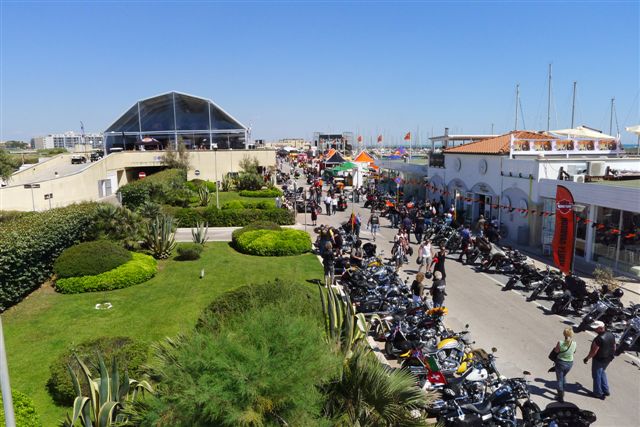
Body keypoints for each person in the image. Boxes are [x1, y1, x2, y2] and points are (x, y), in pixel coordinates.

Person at [583, 321, 615, 400]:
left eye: (596, 328)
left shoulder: (598, 339)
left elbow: (594, 352)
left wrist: (587, 358)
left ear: (601, 328)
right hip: (608, 358)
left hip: (599, 359)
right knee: (602, 372)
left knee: (596, 375)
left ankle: (597, 393)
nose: (594, 330)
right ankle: (605, 390)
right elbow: (614, 346)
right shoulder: (611, 334)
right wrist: (611, 355)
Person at [552, 328, 577, 402]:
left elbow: (556, 351)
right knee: (563, 376)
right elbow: (574, 351)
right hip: (570, 363)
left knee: (559, 379)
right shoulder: (574, 343)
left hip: (561, 363)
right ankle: (563, 389)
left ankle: (560, 397)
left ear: (564, 334)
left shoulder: (560, 342)